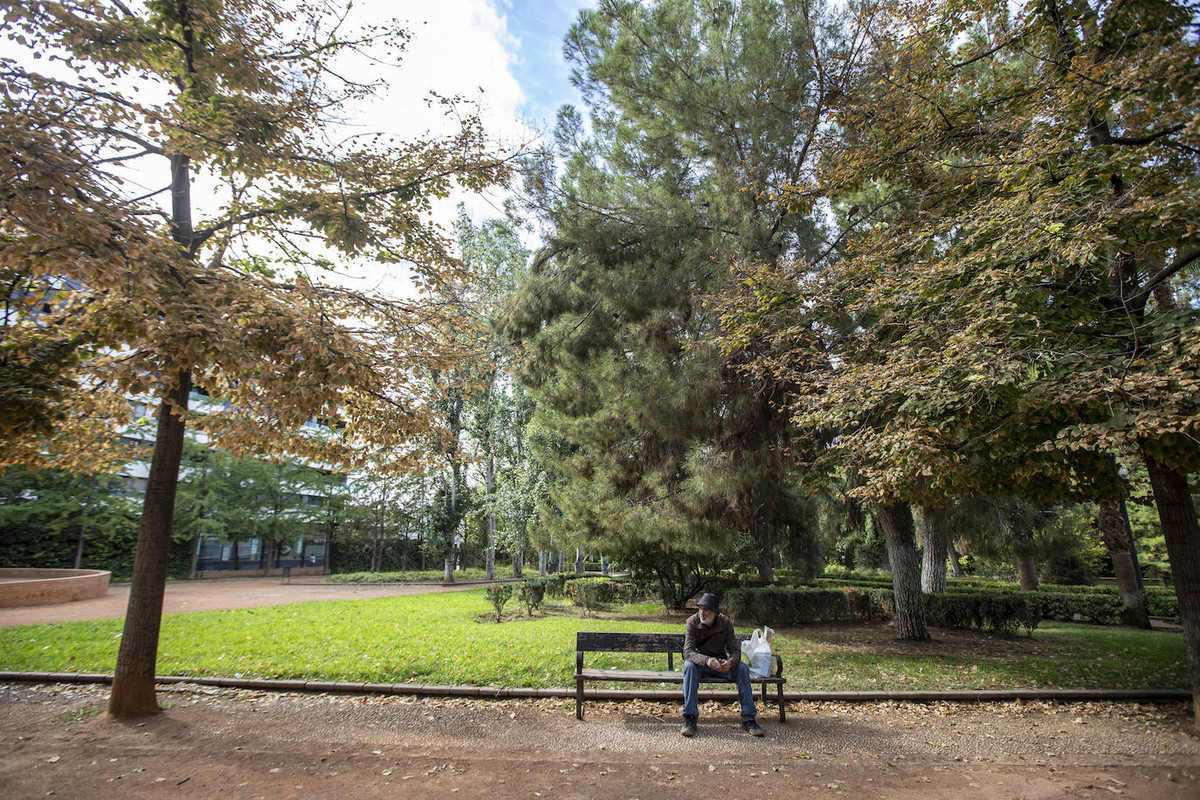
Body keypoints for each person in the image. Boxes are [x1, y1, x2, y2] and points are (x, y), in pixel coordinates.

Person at [680, 592, 764, 737]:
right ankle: (690, 718)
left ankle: (749, 719)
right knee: (689, 667)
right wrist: (706, 660)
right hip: (701, 665)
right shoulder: (692, 622)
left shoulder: (725, 623)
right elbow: (687, 652)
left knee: (742, 668)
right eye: (700, 609)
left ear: (715, 612)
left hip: (721, 665)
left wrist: (730, 663)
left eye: (706, 610)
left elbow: (735, 651)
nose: (702, 613)